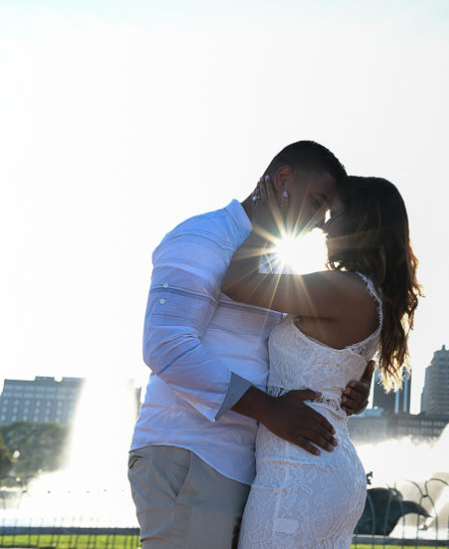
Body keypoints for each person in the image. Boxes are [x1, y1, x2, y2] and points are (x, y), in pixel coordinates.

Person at [128, 141, 373, 548]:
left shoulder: (275, 262)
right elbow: (166, 346)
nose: (318, 222)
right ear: (283, 179)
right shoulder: (203, 235)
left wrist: (348, 386)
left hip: (246, 466)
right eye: (316, 202)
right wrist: (270, 409)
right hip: (190, 453)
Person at [222, 174, 421, 548]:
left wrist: (265, 219)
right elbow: (351, 370)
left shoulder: (343, 288)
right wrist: (354, 395)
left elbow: (238, 282)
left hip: (298, 472)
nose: (325, 224)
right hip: (320, 466)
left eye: (336, 212)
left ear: (361, 223)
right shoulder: (368, 295)